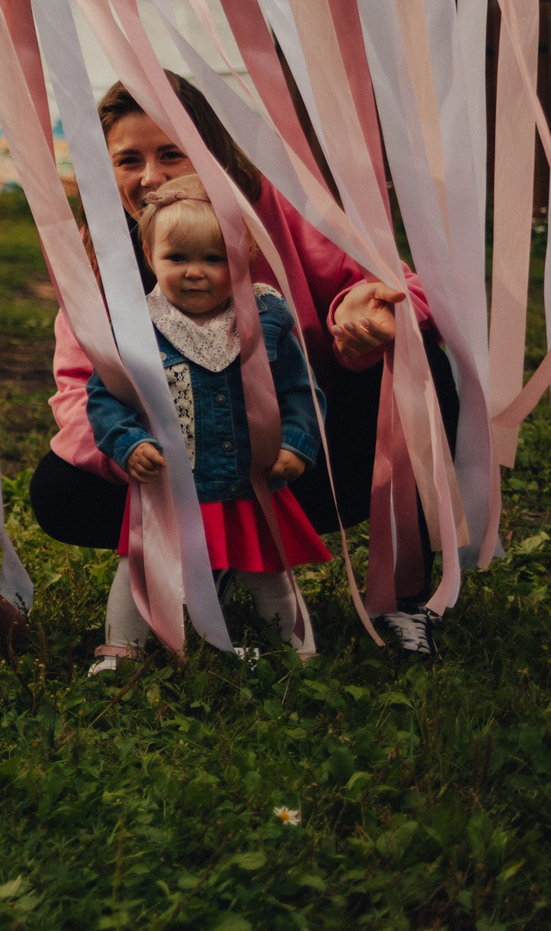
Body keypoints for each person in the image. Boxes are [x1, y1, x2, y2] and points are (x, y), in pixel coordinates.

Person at [27, 75, 450, 654]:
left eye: (171, 153)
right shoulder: (100, 253)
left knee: (427, 373)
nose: (151, 177)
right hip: (174, 476)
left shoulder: (275, 208)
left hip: (296, 460)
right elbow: (79, 391)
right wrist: (137, 455)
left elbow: (405, 287)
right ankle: (211, 551)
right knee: (58, 490)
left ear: (210, 151)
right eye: (128, 160)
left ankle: (402, 598)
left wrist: (359, 310)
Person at [85, 178, 327, 666]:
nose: (195, 272)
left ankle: (298, 650)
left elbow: (300, 391)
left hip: (247, 480)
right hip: (170, 486)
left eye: (214, 259)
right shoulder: (135, 327)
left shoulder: (264, 317)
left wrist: (296, 443)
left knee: (268, 569)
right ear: (150, 257)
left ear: (243, 256)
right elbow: (105, 397)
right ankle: (122, 650)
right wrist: (128, 442)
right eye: (177, 258)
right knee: (141, 568)